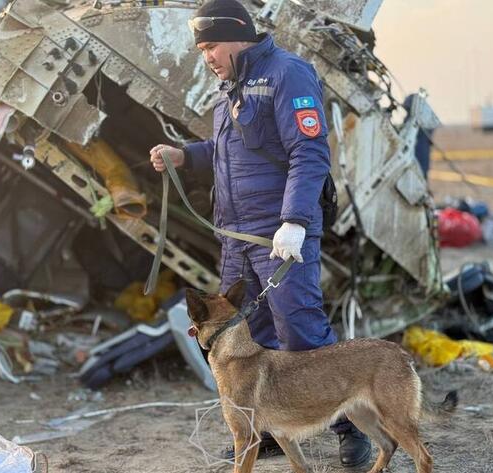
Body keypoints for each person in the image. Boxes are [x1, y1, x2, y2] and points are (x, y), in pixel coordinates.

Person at [149, 0, 370, 467]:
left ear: (238, 35)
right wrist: (185, 156)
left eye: (212, 45)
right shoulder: (229, 87)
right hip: (237, 239)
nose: (206, 56)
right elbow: (227, 152)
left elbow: (309, 153)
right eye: (202, 48)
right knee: (252, 338)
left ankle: (352, 429)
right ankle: (263, 432)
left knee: (301, 331)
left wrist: (294, 221)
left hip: (279, 235)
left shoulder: (289, 74)